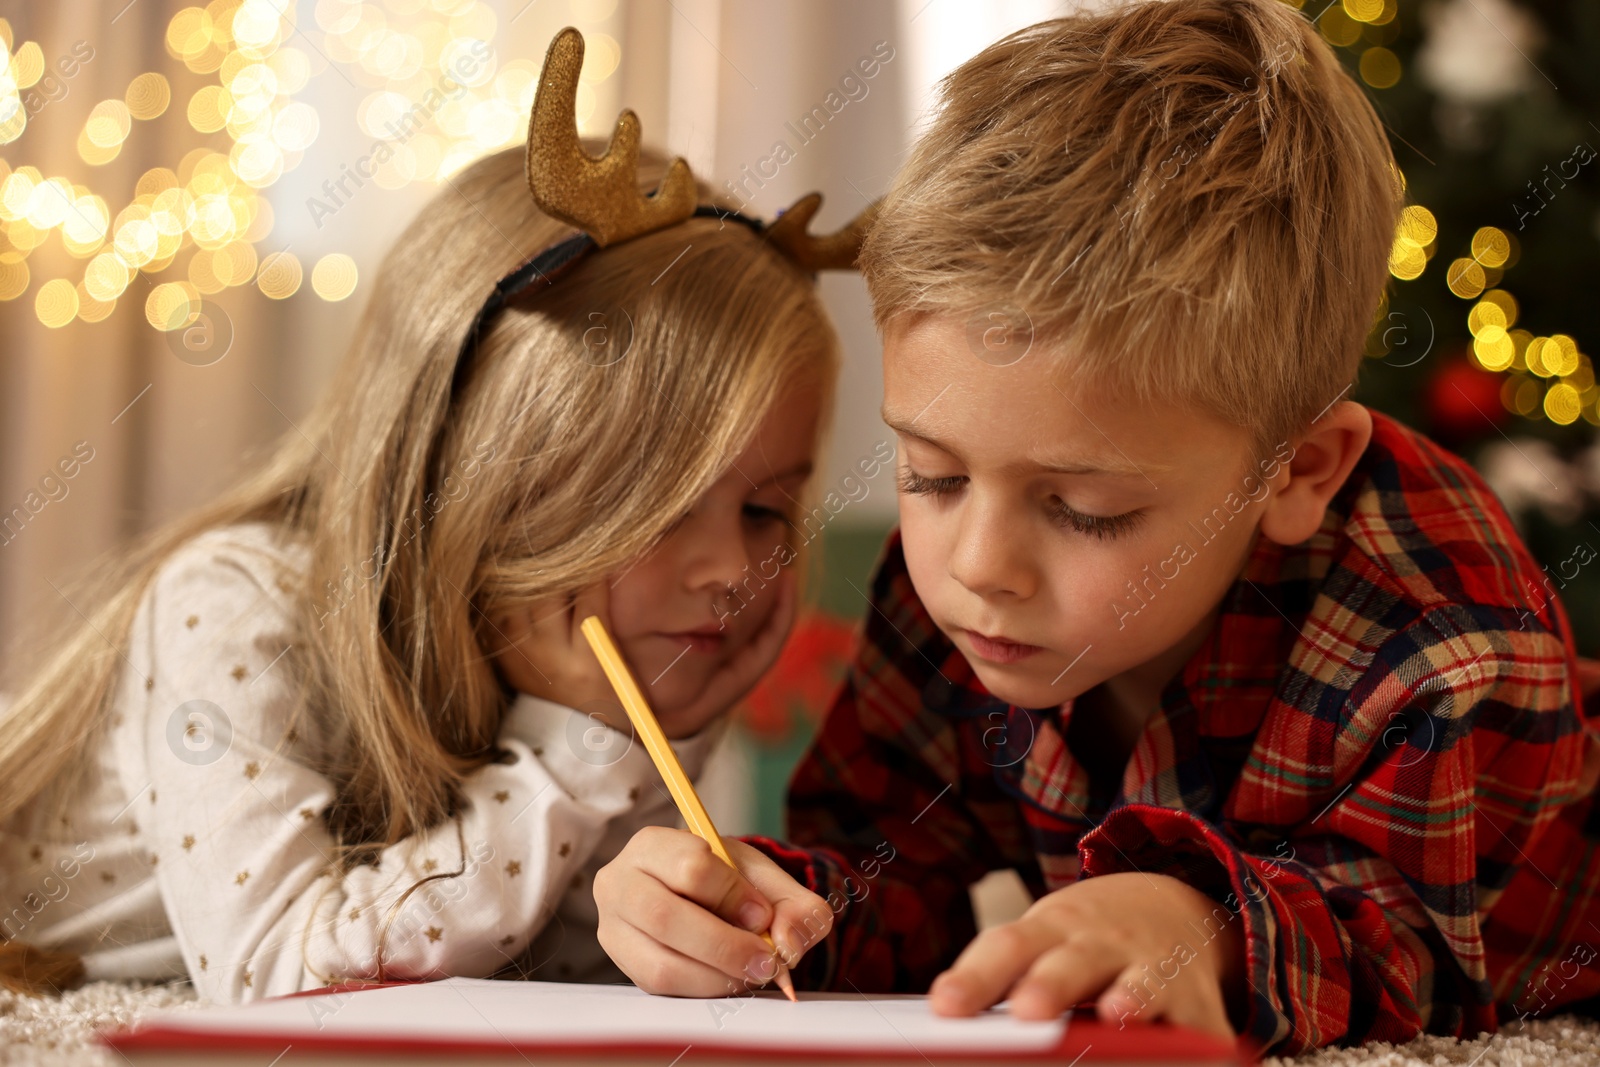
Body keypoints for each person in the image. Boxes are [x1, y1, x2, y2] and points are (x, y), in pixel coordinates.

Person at [590, 0, 1600, 1054]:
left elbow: (1415, 961)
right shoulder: (956, 576)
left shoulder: (1441, 624)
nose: (977, 565)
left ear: (1297, 469)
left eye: (1085, 507)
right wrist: (765, 906)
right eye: (929, 475)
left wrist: (1198, 927)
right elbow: (891, 859)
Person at [0, 27, 874, 1003]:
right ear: (477, 474)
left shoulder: (622, 663)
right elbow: (280, 977)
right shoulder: (236, 603)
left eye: (765, 507)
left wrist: (681, 927)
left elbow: (534, 948)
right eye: (658, 502)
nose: (729, 565)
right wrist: (585, 745)